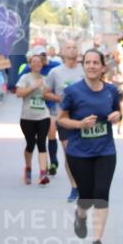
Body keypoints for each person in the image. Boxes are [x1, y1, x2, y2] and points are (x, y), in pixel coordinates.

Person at [57, 48, 121, 244]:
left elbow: (117, 111)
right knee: (86, 196)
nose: (92, 66)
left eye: (96, 62)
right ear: (83, 66)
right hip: (79, 152)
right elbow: (61, 119)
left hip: (105, 150)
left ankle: (97, 241)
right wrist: (79, 124)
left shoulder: (111, 90)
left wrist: (115, 116)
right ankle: (81, 214)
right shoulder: (73, 91)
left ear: (103, 66)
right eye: (88, 62)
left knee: (101, 193)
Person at [44, 39, 86, 201]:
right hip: (64, 118)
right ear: (62, 51)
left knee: (86, 153)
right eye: (68, 47)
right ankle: (75, 186)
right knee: (70, 153)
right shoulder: (55, 72)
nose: (72, 50)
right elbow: (45, 93)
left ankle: (85, 184)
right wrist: (60, 98)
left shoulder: (84, 70)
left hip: (84, 117)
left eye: (75, 47)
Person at [14, 54, 52, 186]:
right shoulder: (25, 78)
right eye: (34, 62)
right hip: (27, 117)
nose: (36, 64)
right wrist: (34, 86)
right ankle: (28, 168)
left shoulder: (46, 79)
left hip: (43, 116)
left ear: (42, 64)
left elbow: (50, 95)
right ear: (30, 64)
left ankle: (42, 174)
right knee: (30, 144)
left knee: (42, 143)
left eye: (39, 62)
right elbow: (18, 93)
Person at [108, 47, 123, 133]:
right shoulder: (110, 64)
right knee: (109, 108)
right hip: (111, 89)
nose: (117, 56)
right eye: (115, 54)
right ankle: (110, 124)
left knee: (122, 107)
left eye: (119, 54)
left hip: (122, 88)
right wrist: (108, 80)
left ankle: (120, 126)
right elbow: (105, 75)